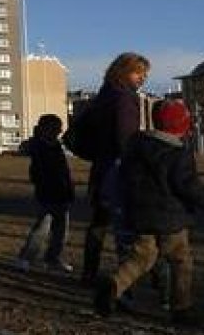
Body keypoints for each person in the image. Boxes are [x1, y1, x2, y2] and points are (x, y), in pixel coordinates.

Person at [94, 100, 204, 321]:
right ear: (182, 127)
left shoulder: (136, 148)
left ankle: (114, 284)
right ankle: (181, 306)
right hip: (172, 220)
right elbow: (189, 186)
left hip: (141, 216)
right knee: (181, 260)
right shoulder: (178, 154)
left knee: (141, 258)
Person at [80, 52, 151, 286]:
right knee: (127, 226)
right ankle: (124, 279)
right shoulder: (124, 98)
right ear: (124, 72)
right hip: (118, 170)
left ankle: (89, 272)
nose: (142, 78)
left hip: (101, 167)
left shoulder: (104, 95)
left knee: (99, 224)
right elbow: (126, 138)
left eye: (144, 74)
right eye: (138, 73)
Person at [16, 114, 75, 272]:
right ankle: (26, 257)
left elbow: (64, 170)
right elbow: (37, 172)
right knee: (43, 227)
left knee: (61, 230)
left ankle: (52, 257)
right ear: (46, 129)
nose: (59, 131)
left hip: (61, 192)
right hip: (48, 192)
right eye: (56, 128)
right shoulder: (40, 147)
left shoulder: (55, 146)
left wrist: (68, 188)